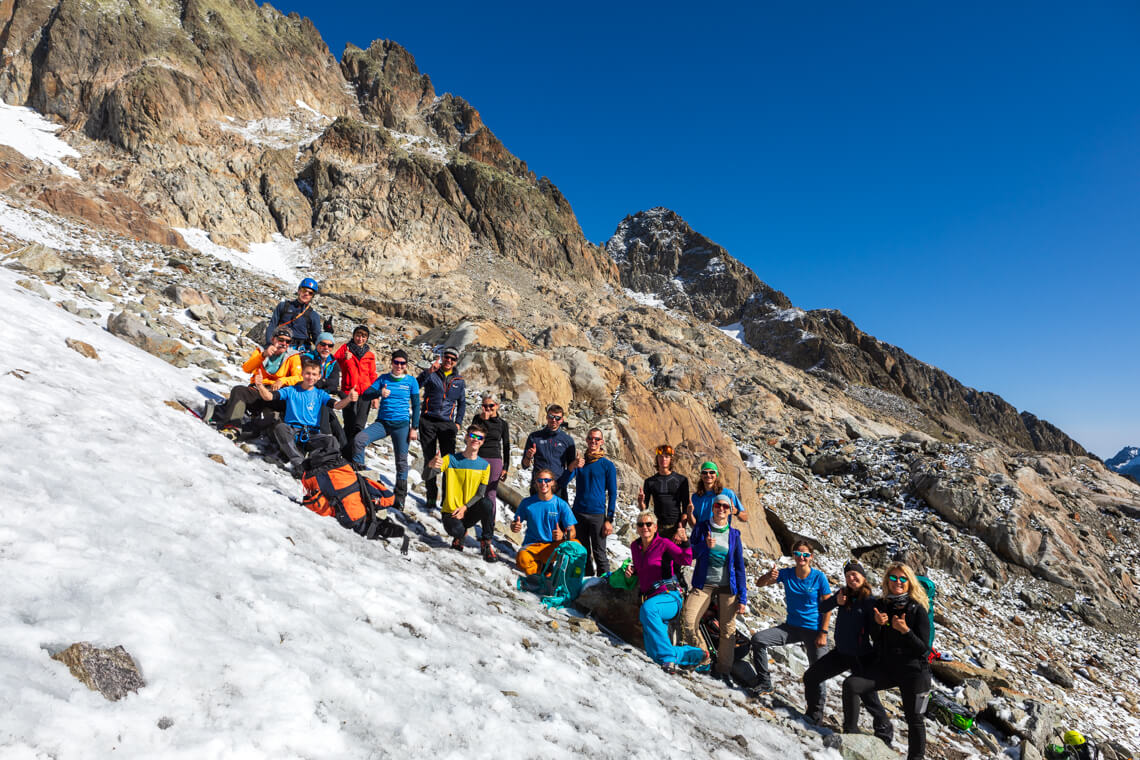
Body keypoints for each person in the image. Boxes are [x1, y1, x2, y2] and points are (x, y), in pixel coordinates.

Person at [842, 563, 932, 760]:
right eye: (893, 578)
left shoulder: (918, 610)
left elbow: (924, 648)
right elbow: (878, 639)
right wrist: (878, 625)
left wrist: (906, 631)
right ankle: (850, 735)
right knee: (851, 684)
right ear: (887, 581)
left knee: (915, 719)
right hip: (889, 668)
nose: (897, 582)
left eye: (902, 578)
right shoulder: (883, 605)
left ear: (909, 582)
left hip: (915, 672)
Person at [801, 561, 885, 726]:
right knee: (811, 677)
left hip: (861, 657)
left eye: (855, 574)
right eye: (848, 576)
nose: (851, 578)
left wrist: (878, 623)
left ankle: (877, 731)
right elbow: (822, 607)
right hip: (841, 653)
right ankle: (813, 715)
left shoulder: (870, 601)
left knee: (869, 698)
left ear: (863, 576)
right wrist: (836, 602)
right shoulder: (843, 594)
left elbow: (876, 635)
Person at [625, 511, 706, 673]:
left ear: (655, 527)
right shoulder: (635, 546)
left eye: (648, 524)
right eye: (641, 524)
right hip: (651, 598)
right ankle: (697, 655)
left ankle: (670, 657)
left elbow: (686, 560)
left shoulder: (664, 543)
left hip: (669, 597)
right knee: (655, 654)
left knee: (648, 609)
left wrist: (685, 542)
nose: (644, 527)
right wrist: (633, 570)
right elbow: (643, 568)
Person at [748, 539, 832, 696]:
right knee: (758, 639)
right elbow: (760, 584)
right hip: (791, 628)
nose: (802, 557)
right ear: (793, 555)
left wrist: (824, 632)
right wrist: (768, 575)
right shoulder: (786, 573)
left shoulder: (819, 577)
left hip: (814, 630)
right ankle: (765, 683)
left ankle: (815, 715)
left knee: (818, 672)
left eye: (805, 554)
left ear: (811, 557)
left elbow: (828, 607)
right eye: (798, 554)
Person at [680, 494, 748, 681]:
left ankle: (723, 670)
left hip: (727, 587)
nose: (721, 509)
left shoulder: (734, 534)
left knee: (728, 629)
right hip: (704, 584)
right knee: (688, 619)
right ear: (713, 507)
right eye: (718, 505)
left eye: (726, 507)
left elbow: (739, 567)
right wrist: (704, 546)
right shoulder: (702, 528)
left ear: (730, 510)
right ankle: (704, 656)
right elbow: (689, 555)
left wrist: (743, 597)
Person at [253, 358, 356, 475]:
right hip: (293, 432)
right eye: (308, 373)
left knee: (331, 440)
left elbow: (337, 406)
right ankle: (300, 465)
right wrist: (260, 386)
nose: (310, 377)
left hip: (312, 435)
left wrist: (348, 399)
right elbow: (269, 397)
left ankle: (320, 466)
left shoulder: (320, 394)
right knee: (280, 427)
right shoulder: (290, 390)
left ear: (318, 377)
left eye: (314, 374)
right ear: (302, 374)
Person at [353, 349, 420, 509]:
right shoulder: (383, 379)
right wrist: (379, 392)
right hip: (383, 423)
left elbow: (417, 406)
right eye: (396, 362)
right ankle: (360, 481)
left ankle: (400, 498)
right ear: (392, 363)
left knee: (402, 461)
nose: (399, 365)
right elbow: (366, 395)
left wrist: (414, 428)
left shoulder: (411, 381)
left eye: (402, 363)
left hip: (402, 425)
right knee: (359, 440)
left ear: (406, 365)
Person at [427, 422, 497, 562]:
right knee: (456, 531)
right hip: (451, 511)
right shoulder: (450, 459)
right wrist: (430, 465)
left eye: (480, 438)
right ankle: (460, 535)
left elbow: (480, 494)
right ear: (466, 437)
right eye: (472, 436)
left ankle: (486, 542)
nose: (475, 440)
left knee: (487, 504)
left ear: (482, 442)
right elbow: (426, 476)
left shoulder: (484, 466)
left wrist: (465, 507)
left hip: (468, 510)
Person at [214, 327, 302, 437]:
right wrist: (263, 355)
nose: (284, 343)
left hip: (276, 393)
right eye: (281, 339)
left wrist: (283, 380)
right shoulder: (260, 350)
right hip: (257, 389)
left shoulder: (293, 356)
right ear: (273, 339)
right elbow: (247, 368)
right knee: (239, 390)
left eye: (288, 341)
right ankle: (232, 427)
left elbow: (299, 377)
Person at [418, 346, 467, 510]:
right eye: (447, 357)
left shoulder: (459, 381)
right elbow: (416, 385)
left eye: (453, 359)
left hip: (447, 425)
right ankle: (431, 496)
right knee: (429, 459)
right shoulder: (432, 373)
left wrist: (458, 422)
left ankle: (446, 499)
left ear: (456, 362)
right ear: (442, 357)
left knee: (448, 463)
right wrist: (427, 371)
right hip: (428, 421)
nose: (449, 361)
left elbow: (462, 403)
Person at [511, 469, 577, 576]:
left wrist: (563, 535)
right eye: (539, 480)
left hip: (552, 547)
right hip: (532, 546)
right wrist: (514, 526)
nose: (543, 483)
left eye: (547, 480)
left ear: (552, 482)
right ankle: (541, 572)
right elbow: (514, 523)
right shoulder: (527, 503)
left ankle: (554, 571)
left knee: (575, 544)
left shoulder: (561, 504)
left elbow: (572, 531)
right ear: (536, 483)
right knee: (521, 560)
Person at [571, 428, 617, 576]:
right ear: (586, 440)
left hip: (597, 515)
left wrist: (609, 519)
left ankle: (605, 587)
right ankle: (587, 584)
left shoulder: (607, 465)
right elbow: (564, 481)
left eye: (597, 439)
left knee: (600, 554)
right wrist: (573, 466)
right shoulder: (581, 463)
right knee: (582, 553)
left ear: (602, 442)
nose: (593, 441)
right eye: (591, 438)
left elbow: (613, 492)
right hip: (578, 513)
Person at [333, 325, 378, 455]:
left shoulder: (369, 355)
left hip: (365, 394)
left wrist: (375, 396)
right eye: (358, 335)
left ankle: (355, 454)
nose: (360, 339)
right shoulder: (345, 349)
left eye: (363, 336)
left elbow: (372, 375)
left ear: (367, 338)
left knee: (360, 426)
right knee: (349, 424)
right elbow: (334, 364)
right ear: (353, 336)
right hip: (349, 392)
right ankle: (343, 451)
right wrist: (344, 358)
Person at [521, 404, 576, 500]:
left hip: (558, 487)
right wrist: (529, 456)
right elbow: (525, 465)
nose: (554, 420)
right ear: (546, 417)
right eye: (551, 416)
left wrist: (562, 483)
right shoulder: (534, 437)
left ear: (562, 420)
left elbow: (571, 468)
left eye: (557, 418)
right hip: (538, 486)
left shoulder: (568, 440)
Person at [637, 444, 691, 539]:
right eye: (660, 457)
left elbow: (685, 508)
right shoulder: (650, 482)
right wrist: (641, 502)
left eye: (667, 456)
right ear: (657, 459)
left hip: (676, 528)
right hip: (657, 528)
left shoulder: (681, 480)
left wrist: (681, 529)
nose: (663, 459)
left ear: (671, 459)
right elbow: (644, 510)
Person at [302, 332, 346, 448]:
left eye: (330, 346)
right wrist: (324, 382)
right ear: (317, 345)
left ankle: (345, 455)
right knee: (326, 422)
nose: (326, 348)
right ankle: (326, 446)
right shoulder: (307, 358)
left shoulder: (333, 362)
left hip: (323, 398)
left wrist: (322, 382)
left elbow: (334, 384)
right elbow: (310, 381)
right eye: (323, 344)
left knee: (337, 427)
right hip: (309, 396)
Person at [473, 394, 510, 511]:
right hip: (477, 457)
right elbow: (472, 437)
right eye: (485, 405)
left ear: (497, 406)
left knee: (491, 493)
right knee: (473, 490)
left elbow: (506, 445)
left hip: (494, 459)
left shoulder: (503, 424)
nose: (488, 408)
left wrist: (506, 467)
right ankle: (467, 520)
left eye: (491, 405)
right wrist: (482, 422)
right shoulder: (477, 419)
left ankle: (489, 525)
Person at [266, 278, 322, 352]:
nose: (306, 294)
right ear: (299, 291)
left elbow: (317, 338)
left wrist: (328, 333)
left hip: (301, 349)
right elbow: (272, 325)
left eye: (310, 293)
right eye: (304, 290)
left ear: (312, 296)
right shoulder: (283, 306)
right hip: (280, 345)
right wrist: (269, 344)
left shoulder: (313, 315)